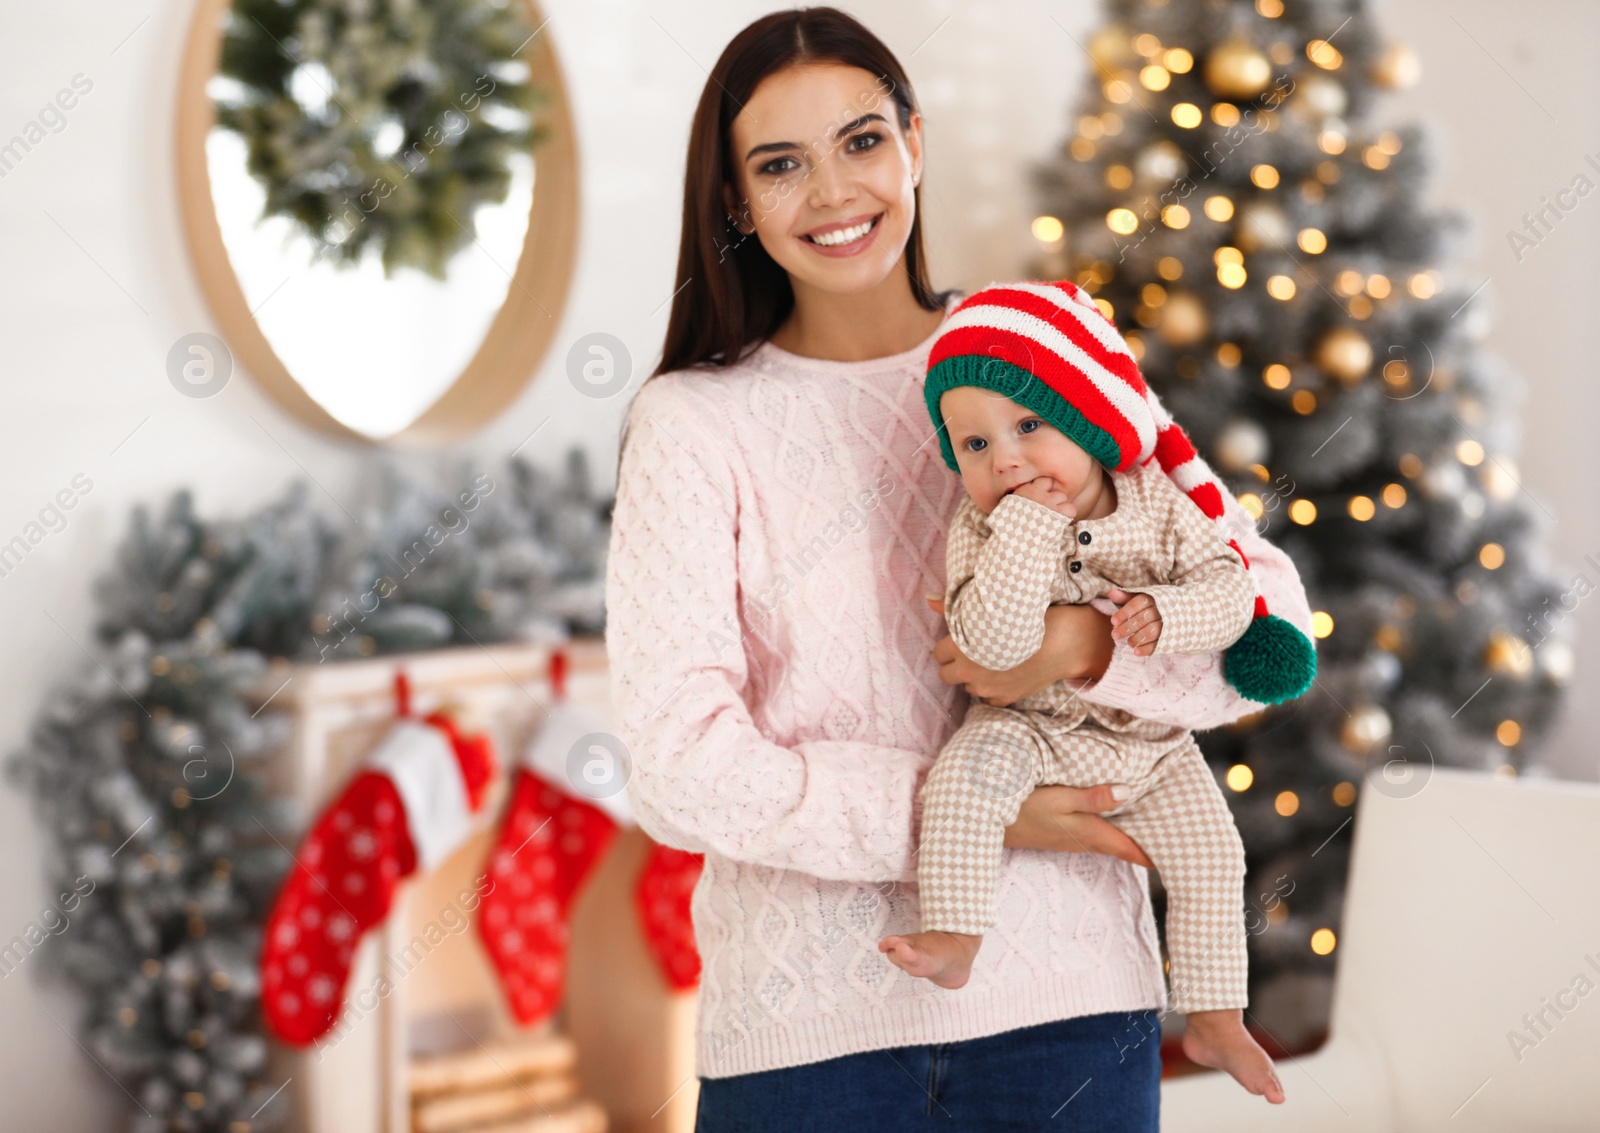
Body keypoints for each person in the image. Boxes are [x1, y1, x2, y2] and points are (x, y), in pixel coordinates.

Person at [602, 8, 1316, 1130]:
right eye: (780, 165)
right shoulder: (693, 426)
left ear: (915, 146)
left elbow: (1261, 622)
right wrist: (985, 814)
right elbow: (679, 766)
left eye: (862, 141)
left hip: (1072, 1016)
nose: (834, 192)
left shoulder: (1038, 350)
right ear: (738, 203)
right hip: (810, 1042)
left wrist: (1084, 648)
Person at [878, 279, 1320, 1107]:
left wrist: (1171, 613)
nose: (1003, 458)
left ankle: (1218, 1015)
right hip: (1027, 727)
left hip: (1148, 742)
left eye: (1029, 427)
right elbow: (992, 643)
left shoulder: (1159, 500)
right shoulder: (982, 526)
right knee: (963, 787)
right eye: (972, 446)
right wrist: (1026, 530)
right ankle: (955, 934)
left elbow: (1233, 590)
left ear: (1085, 419)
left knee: (1212, 854)